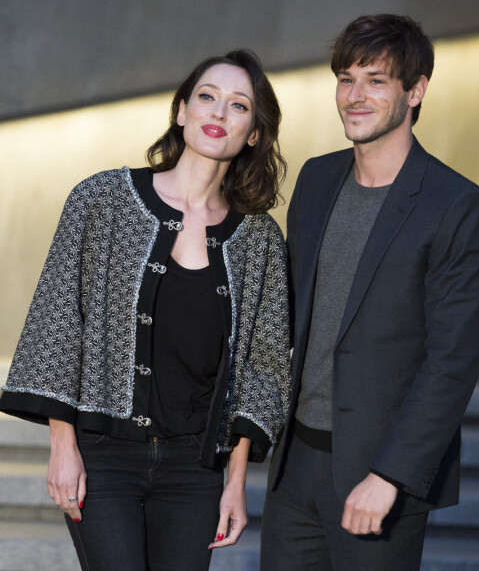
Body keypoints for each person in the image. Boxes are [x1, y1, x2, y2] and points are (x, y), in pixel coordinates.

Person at [0, 49, 291, 571]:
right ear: (181, 111)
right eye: (207, 97)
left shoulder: (260, 240)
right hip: (104, 455)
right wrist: (62, 447)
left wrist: (236, 481)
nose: (218, 113)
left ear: (253, 133)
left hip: (194, 470)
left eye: (238, 105)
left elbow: (264, 367)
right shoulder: (101, 200)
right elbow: (58, 321)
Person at [261, 14, 479, 571]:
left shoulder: (458, 206)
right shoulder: (316, 180)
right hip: (294, 468)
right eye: (346, 78)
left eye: (375, 79)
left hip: (377, 475)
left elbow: (452, 361)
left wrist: (390, 475)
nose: (354, 96)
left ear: (415, 91)